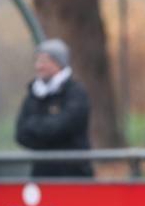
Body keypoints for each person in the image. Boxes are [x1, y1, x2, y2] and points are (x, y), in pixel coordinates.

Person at [15, 39, 93, 178]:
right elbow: (21, 134)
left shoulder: (76, 92)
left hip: (74, 176)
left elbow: (65, 126)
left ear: (58, 63)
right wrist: (48, 129)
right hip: (41, 176)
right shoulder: (33, 94)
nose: (39, 66)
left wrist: (36, 127)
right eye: (38, 61)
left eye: (44, 61)